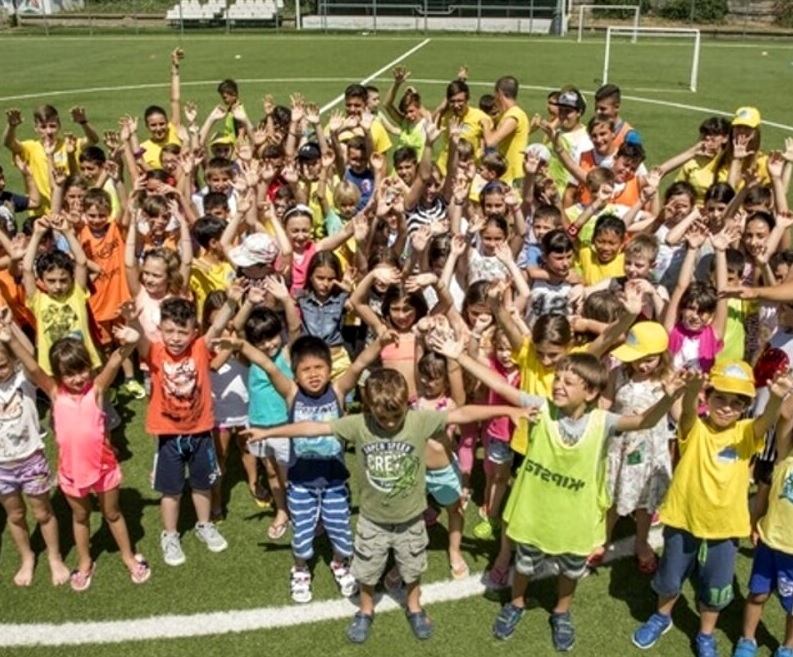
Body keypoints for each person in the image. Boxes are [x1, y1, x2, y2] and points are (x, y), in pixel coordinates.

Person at [429, 333, 685, 649]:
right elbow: (501, 387)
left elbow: (643, 421)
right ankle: (516, 603)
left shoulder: (603, 422)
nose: (558, 385)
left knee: (571, 569)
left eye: (568, 382)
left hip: (575, 517)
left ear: (591, 392)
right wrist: (459, 356)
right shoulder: (543, 408)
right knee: (524, 563)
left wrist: (668, 398)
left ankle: (562, 612)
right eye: (558, 379)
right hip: (534, 511)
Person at [244, 367, 530, 644]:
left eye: (396, 415)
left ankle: (414, 607)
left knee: (412, 569)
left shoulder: (418, 420)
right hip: (372, 521)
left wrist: (507, 410)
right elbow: (314, 428)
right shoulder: (358, 424)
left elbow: (462, 413)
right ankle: (365, 610)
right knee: (367, 572)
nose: (391, 423)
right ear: (369, 408)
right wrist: (268, 433)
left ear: (406, 404)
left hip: (411, 519)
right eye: (383, 417)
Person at [632, 361, 793, 657]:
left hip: (726, 527)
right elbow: (688, 414)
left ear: (745, 408)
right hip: (683, 519)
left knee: (716, 587)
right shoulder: (695, 429)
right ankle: (662, 617)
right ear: (708, 397)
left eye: (736, 403)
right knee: (670, 578)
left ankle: (705, 634)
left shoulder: (746, 432)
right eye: (720, 398)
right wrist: (691, 392)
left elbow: (766, 421)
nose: (727, 407)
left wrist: (775, 399)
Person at [219, 332, 394, 603]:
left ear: (330, 368)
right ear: (295, 374)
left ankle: (340, 563)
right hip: (301, 482)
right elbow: (268, 366)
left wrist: (380, 343)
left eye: (319, 367)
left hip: (335, 480)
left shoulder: (337, 391)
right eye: (306, 369)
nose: (313, 375)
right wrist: (242, 345)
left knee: (341, 531)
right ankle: (300, 570)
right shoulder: (292, 394)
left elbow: (359, 364)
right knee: (302, 533)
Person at [4, 319, 151, 590]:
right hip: (71, 472)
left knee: (113, 514)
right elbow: (33, 368)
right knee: (80, 517)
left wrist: (130, 342)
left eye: (82, 369)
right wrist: (10, 339)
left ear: (89, 367)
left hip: (104, 468)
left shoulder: (96, 391)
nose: (78, 378)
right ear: (58, 375)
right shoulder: (54, 393)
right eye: (69, 374)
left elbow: (114, 362)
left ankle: (128, 556)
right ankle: (85, 562)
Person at [122, 290, 241, 566]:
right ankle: (170, 534)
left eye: (182, 332)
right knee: (171, 490)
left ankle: (204, 525)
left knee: (202, 485)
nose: (175, 338)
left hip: (200, 432)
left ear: (194, 332)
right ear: (160, 330)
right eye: (170, 331)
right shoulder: (154, 351)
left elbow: (217, 326)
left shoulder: (200, 347)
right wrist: (133, 320)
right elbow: (140, 339)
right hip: (168, 436)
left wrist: (232, 301)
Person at [0, 313, 70, 588]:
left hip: (31, 461)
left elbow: (31, 362)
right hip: (2, 468)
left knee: (43, 513)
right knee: (15, 515)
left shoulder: (23, 380)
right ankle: (27, 556)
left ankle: (54, 556)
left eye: (2, 365)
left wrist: (11, 337)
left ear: (13, 362)